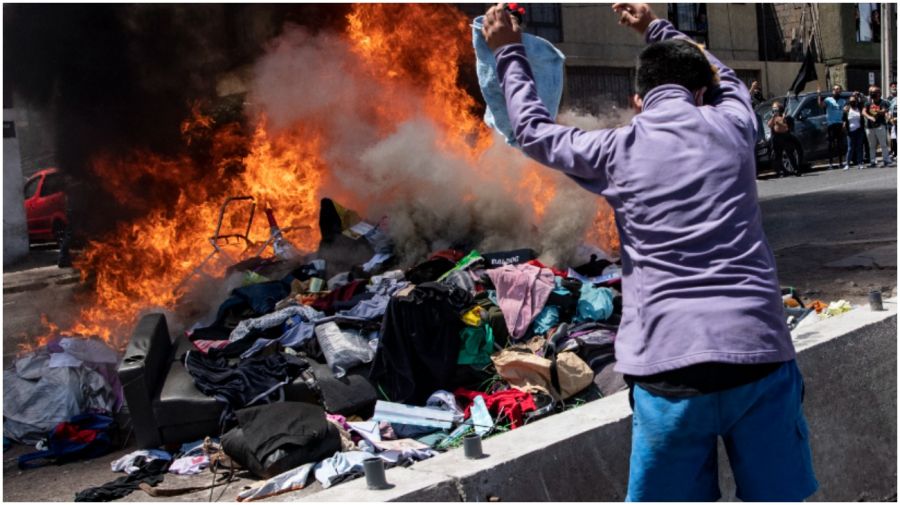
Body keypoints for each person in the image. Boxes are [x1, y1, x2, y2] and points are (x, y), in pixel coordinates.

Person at [482, 2, 816, 501]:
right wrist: (655, 27)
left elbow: (530, 130)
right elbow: (718, 69)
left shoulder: (615, 150)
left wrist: (509, 50)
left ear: (638, 100)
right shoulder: (734, 124)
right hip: (759, 359)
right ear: (702, 92)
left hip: (669, 376)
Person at [862, 85, 892, 167]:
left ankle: (886, 160)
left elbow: (884, 111)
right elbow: (864, 112)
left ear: (879, 93)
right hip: (869, 127)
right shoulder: (867, 103)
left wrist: (878, 111)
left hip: (880, 126)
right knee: (872, 145)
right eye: (871, 92)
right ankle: (872, 161)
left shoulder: (883, 102)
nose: (872, 94)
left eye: (874, 92)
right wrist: (869, 117)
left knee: (883, 144)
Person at [818, 85, 846, 169]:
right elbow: (821, 105)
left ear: (840, 91)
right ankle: (831, 163)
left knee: (840, 144)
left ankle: (841, 162)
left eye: (838, 89)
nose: (836, 91)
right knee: (831, 145)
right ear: (832, 91)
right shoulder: (828, 100)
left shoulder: (843, 101)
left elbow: (845, 113)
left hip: (840, 124)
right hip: (831, 124)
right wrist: (819, 95)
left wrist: (844, 123)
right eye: (834, 89)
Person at [767, 101, 798, 177]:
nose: (774, 110)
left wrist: (780, 121)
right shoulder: (773, 117)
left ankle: (796, 169)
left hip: (785, 137)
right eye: (773, 109)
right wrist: (774, 117)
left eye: (776, 109)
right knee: (778, 155)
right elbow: (769, 125)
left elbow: (786, 127)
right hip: (776, 138)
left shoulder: (785, 117)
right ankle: (781, 171)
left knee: (789, 152)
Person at [842, 94, 865, 169]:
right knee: (850, 148)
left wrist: (859, 94)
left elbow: (864, 99)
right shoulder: (847, 110)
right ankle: (847, 164)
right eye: (851, 101)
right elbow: (844, 120)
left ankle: (860, 163)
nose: (852, 102)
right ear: (849, 102)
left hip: (859, 131)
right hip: (850, 132)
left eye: (854, 101)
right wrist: (844, 126)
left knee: (859, 147)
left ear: (856, 101)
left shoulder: (860, 108)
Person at [889, 82, 897, 158]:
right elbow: (888, 109)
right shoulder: (889, 98)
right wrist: (889, 118)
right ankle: (894, 152)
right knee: (893, 137)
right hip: (891, 121)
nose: (894, 88)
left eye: (895, 86)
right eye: (893, 86)